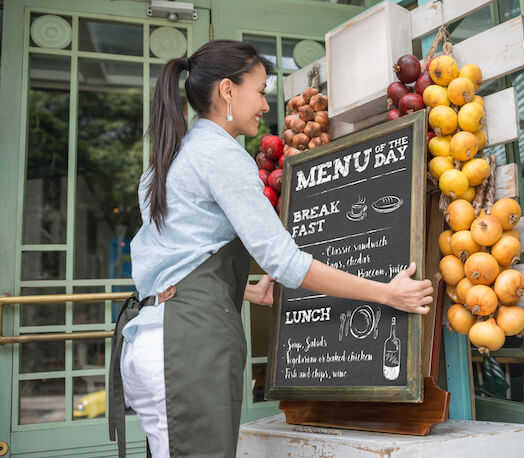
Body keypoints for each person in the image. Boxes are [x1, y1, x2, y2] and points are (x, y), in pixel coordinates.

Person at [107, 40, 433, 458]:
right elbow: (286, 262)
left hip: (151, 341)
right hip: (185, 351)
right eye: (260, 91)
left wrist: (241, 288)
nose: (265, 106)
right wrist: (386, 293)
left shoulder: (166, 161)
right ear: (227, 90)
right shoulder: (222, 155)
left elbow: (174, 260)